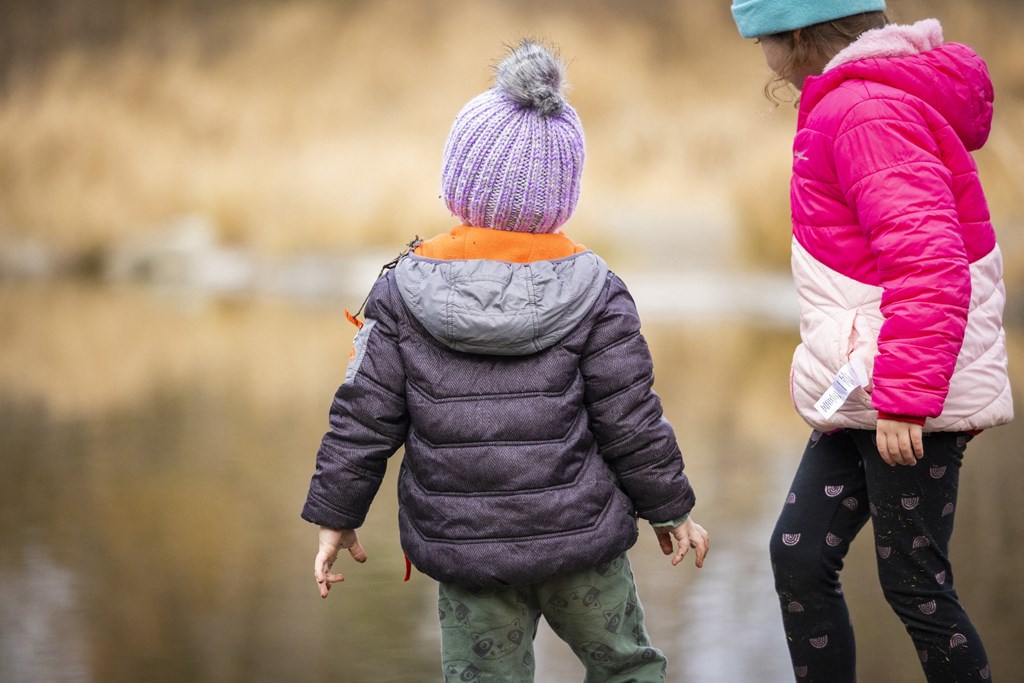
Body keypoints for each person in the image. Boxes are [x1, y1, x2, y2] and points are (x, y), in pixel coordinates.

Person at [301, 39, 709, 682]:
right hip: (582, 545)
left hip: (469, 554)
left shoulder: (402, 289)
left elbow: (363, 418)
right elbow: (631, 420)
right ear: (562, 192)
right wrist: (671, 507)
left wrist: (335, 515)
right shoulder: (597, 288)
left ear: (459, 182)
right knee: (629, 672)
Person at [730, 1, 1013, 681]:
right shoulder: (854, 101)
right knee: (798, 557)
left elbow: (929, 259)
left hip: (907, 394)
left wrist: (905, 398)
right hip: (866, 380)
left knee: (915, 584)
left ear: (797, 34)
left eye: (762, 39)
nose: (761, 55)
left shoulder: (864, 112)